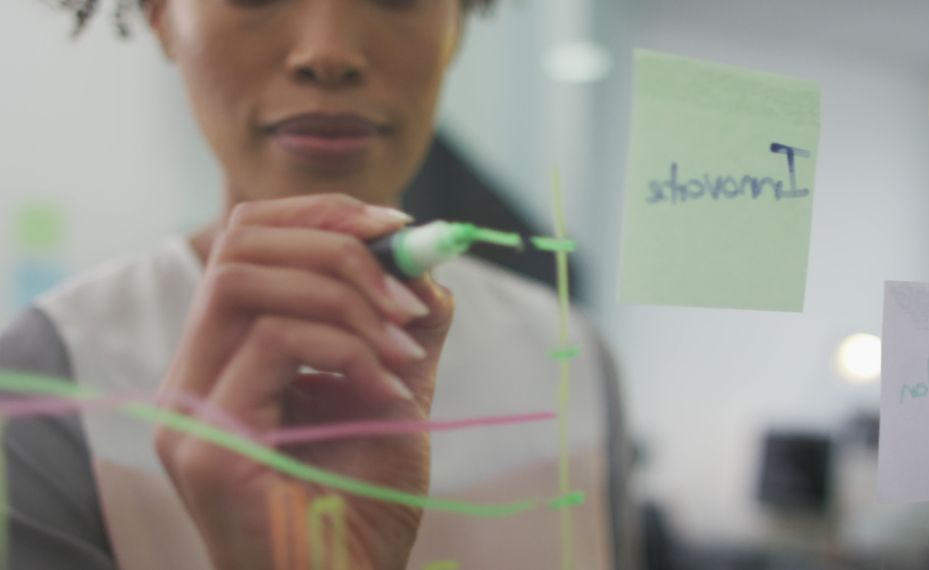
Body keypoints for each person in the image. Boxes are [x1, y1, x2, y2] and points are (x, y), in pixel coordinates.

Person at [0, 0, 636, 568]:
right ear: (161, 17)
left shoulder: (571, 356)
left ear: (460, 22)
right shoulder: (51, 377)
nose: (328, 52)